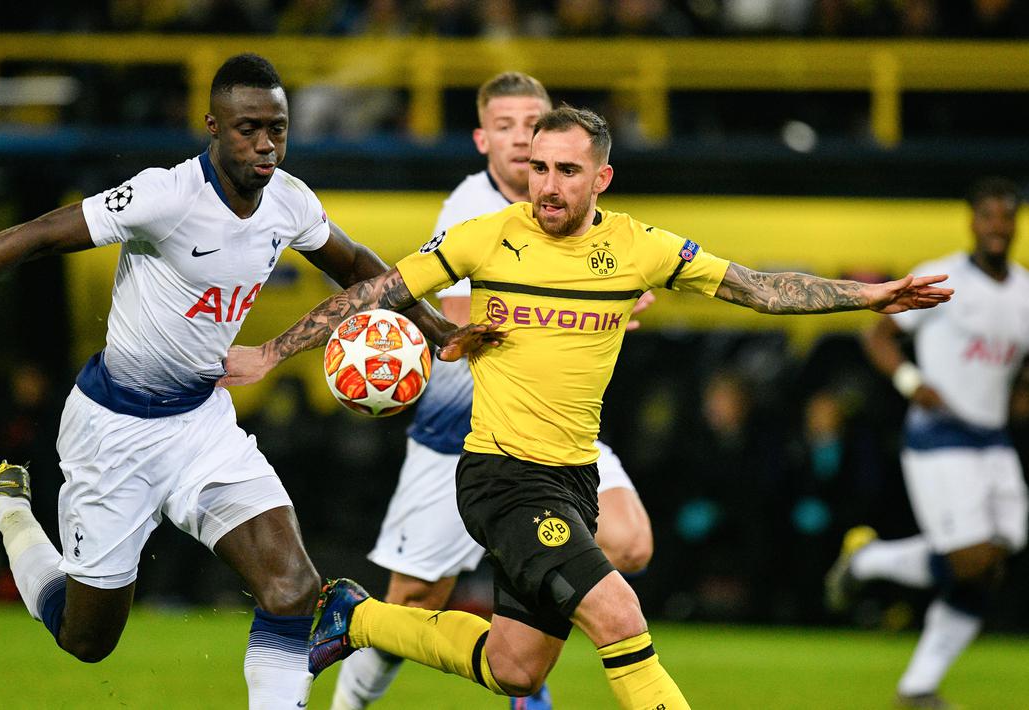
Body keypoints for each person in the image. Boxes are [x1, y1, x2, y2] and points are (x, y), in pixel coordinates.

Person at [223, 105, 953, 708]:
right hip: (500, 477)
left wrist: (869, 296)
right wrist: (273, 352)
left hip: (572, 479)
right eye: (537, 167)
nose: (546, 185)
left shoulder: (636, 248)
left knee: (516, 668)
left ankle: (358, 616)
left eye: (566, 171)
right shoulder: (486, 238)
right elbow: (372, 291)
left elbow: (757, 287)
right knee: (618, 614)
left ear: (600, 177)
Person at [0, 54, 480, 710]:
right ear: (212, 125)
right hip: (112, 430)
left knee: (291, 587)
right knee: (85, 638)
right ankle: (7, 509)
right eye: (248, 128)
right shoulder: (164, 196)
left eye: (277, 130)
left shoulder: (288, 201)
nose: (265, 145)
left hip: (201, 424)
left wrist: (433, 327)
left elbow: (357, 266)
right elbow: (35, 236)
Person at [330, 72, 654, 710]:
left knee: (629, 540)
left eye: (531, 125)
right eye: (503, 126)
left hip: (557, 442)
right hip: (458, 438)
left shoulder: (576, 213)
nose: (519, 139)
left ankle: (526, 658)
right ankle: (349, 699)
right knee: (412, 606)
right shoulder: (471, 209)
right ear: (482, 138)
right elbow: (455, 307)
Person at [826, 177, 1027, 710]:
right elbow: (878, 335)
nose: (998, 225)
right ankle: (869, 563)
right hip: (940, 439)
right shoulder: (946, 278)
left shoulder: (1025, 291)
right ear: (973, 221)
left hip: (993, 439)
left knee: (997, 560)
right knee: (970, 561)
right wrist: (913, 383)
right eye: (988, 215)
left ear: (1016, 221)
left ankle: (918, 688)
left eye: (1006, 216)